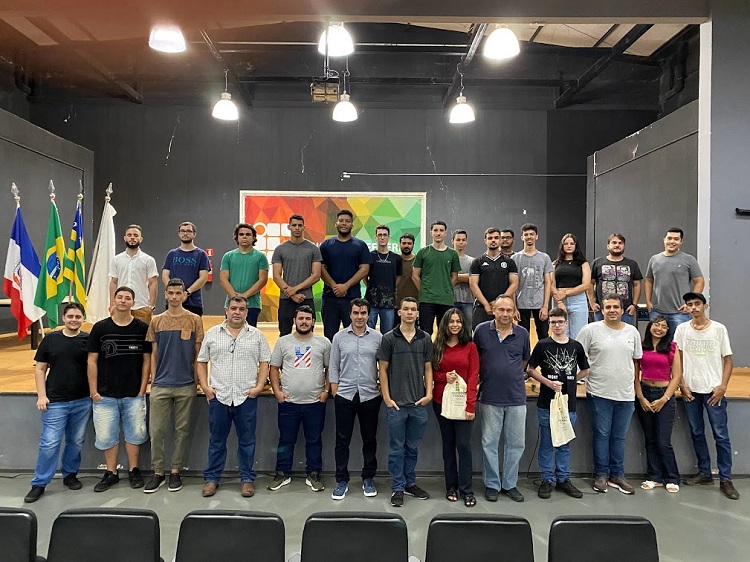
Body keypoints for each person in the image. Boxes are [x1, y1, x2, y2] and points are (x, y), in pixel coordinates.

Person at [196, 296, 271, 498]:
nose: (237, 312)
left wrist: (259, 387)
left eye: (242, 309)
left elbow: (265, 362)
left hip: (246, 397)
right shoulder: (213, 333)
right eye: (234, 308)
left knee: (247, 441)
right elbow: (201, 361)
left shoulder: (256, 335)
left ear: (247, 312)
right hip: (219, 397)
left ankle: (247, 479)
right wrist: (205, 387)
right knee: (216, 441)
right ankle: (212, 479)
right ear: (226, 310)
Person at [675, 292, 739, 500]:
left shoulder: (718, 329)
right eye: (690, 304)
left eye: (697, 303)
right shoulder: (682, 330)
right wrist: (682, 384)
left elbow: (728, 360)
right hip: (691, 391)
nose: (693, 307)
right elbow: (678, 359)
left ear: (705, 306)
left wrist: (723, 386)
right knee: (696, 432)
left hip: (713, 391)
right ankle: (704, 472)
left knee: (721, 435)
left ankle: (726, 478)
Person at [24, 303, 91, 503]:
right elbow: (40, 369)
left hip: (82, 400)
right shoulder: (51, 340)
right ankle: (39, 483)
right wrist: (41, 395)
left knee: (76, 441)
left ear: (83, 319)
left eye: (78, 317)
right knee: (50, 443)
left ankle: (70, 474)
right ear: (63, 318)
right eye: (70, 316)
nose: (74, 320)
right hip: (55, 401)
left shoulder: (88, 340)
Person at [87, 286, 151, 492]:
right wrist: (94, 391)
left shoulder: (142, 328)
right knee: (107, 436)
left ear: (133, 303)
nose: (123, 301)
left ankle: (134, 470)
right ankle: (111, 473)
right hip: (104, 394)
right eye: (120, 297)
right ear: (113, 301)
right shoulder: (100, 328)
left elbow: (147, 360)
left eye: (127, 298)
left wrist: (142, 389)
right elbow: (92, 361)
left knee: (135, 434)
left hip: (133, 394)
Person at [577, 294, 642, 494]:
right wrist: (579, 378)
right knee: (602, 435)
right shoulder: (590, 330)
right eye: (608, 307)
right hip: (599, 392)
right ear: (602, 310)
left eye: (615, 307)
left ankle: (617, 475)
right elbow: (577, 355)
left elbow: (636, 362)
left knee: (619, 437)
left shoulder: (632, 332)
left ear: (622, 310)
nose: (612, 310)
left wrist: (636, 390)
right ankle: (601, 474)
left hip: (625, 394)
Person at [144, 279, 203, 494]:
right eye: (171, 293)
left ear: (184, 295)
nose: (175, 297)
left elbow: (198, 354)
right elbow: (153, 353)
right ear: (165, 295)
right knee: (157, 430)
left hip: (186, 384)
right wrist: (153, 377)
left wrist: (197, 380)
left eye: (179, 293)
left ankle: (175, 471)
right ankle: (158, 472)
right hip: (161, 385)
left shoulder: (194, 320)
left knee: (181, 430)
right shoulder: (156, 321)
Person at [526, 308, 588, 500]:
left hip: (568, 404)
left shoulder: (576, 346)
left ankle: (563, 479)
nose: (557, 325)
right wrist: (547, 382)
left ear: (566, 323)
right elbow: (530, 369)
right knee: (546, 443)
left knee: (564, 443)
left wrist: (572, 381)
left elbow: (586, 369)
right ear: (549, 324)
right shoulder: (543, 345)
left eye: (560, 322)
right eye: (553, 322)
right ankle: (546, 479)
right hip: (547, 403)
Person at [268, 305, 331, 492]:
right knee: (286, 440)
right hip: (289, 403)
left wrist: (326, 390)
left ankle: (314, 474)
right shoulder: (283, 342)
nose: (304, 322)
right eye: (301, 318)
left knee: (314, 440)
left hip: (315, 403)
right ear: (294, 321)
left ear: (313, 321)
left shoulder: (324, 343)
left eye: (308, 319)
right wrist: (277, 391)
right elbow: (273, 368)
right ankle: (282, 473)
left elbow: (330, 368)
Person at [473, 295, 530, 503]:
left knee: (516, 444)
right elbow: (475, 358)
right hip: (490, 396)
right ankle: (492, 484)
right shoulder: (481, 331)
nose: (505, 314)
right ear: (494, 310)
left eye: (509, 310)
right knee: (489, 443)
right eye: (501, 310)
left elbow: (524, 361)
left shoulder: (522, 333)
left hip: (516, 397)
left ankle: (509, 484)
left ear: (514, 312)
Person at [378, 297, 434, 507]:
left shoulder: (425, 338)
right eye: (406, 309)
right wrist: (387, 397)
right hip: (397, 406)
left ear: (417, 314)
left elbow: (428, 368)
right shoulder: (389, 338)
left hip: (418, 405)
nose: (410, 312)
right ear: (399, 312)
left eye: (413, 309)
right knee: (396, 448)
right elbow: (382, 369)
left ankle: (410, 483)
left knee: (412, 448)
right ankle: (397, 487)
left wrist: (428, 394)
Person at [329, 298, 383, 500]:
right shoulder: (339, 337)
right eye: (356, 313)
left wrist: (381, 386)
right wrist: (335, 389)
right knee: (342, 440)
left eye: (363, 313)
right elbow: (333, 365)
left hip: (370, 395)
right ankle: (341, 480)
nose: (359, 317)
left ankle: (368, 478)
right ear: (350, 314)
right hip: (345, 395)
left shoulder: (378, 338)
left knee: (369, 439)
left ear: (368, 315)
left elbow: (383, 366)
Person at [431, 308, 479, 507]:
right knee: (448, 445)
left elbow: (473, 376)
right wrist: (444, 377)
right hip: (441, 403)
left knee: (464, 446)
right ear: (445, 324)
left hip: (463, 404)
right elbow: (431, 373)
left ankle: (467, 489)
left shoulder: (470, 347)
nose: (455, 325)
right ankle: (451, 486)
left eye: (458, 321)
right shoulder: (437, 346)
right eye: (451, 321)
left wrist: (470, 406)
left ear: (463, 324)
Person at [635, 317, 681, 493]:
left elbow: (676, 376)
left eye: (664, 326)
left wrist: (664, 398)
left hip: (664, 396)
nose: (659, 328)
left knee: (663, 441)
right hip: (645, 393)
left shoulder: (672, 347)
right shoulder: (641, 346)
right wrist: (641, 397)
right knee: (650, 440)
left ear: (668, 330)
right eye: (656, 324)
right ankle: (654, 477)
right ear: (650, 326)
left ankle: (672, 477)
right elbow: (635, 374)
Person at [320, 209, 372, 341]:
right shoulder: (326, 245)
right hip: (330, 298)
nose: (344, 223)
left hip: (352, 298)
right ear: (336, 224)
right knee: (329, 336)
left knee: (353, 336)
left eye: (348, 221)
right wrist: (334, 286)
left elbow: (364, 269)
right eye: (341, 220)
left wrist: (345, 286)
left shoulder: (360, 245)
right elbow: (320, 268)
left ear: (352, 225)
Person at [644, 227, 705, 336]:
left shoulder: (689, 260)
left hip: (680, 313)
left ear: (681, 242)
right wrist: (648, 301)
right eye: (669, 238)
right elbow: (649, 280)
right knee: (657, 343)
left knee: (679, 343)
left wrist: (690, 303)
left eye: (676, 239)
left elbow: (699, 281)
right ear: (664, 240)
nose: (672, 241)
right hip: (657, 312)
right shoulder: (654, 259)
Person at [271, 214, 323, 336]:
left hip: (306, 298)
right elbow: (276, 276)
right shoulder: (280, 249)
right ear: (289, 227)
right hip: (286, 299)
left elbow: (316, 275)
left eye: (300, 225)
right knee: (284, 334)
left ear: (304, 227)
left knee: (308, 334)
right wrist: (292, 294)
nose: (297, 228)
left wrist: (294, 289)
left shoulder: (313, 249)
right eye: (294, 225)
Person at [412, 220, 461, 335]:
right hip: (427, 300)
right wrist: (424, 290)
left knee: (445, 333)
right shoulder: (423, 252)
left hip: (446, 299)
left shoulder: (452, 254)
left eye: (441, 230)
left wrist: (446, 289)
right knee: (425, 332)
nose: (438, 233)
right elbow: (415, 276)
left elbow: (455, 276)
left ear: (445, 233)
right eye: (435, 230)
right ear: (431, 232)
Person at [219, 223, 269, 327]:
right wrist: (234, 297)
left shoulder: (261, 257)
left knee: (250, 333)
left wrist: (245, 296)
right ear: (237, 237)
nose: (244, 237)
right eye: (241, 234)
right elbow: (223, 279)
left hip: (252, 304)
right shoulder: (228, 256)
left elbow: (263, 280)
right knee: (231, 332)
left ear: (253, 238)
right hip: (231, 303)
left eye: (248, 234)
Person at [469, 227, 519, 330]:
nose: (493, 240)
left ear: (500, 240)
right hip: (482, 307)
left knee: (503, 335)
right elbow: (473, 285)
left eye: (496, 238)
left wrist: (499, 302)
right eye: (490, 238)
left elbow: (514, 283)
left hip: (502, 309)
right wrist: (486, 304)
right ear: (485, 241)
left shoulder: (509, 262)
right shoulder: (477, 262)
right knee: (480, 336)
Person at [588, 233, 643, 325]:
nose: (617, 245)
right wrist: (592, 303)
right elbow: (590, 283)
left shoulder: (632, 264)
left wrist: (634, 305)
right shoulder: (597, 263)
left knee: (624, 334)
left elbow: (637, 284)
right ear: (608, 246)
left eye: (620, 243)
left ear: (624, 246)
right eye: (614, 242)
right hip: (602, 310)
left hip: (625, 311)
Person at [109, 224, 158, 323]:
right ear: (125, 238)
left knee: (142, 333)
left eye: (135, 235)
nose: (132, 238)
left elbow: (153, 283)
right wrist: (112, 304)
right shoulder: (116, 259)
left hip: (141, 306)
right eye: (129, 235)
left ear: (141, 239)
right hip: (120, 306)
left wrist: (151, 306)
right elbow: (114, 282)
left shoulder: (148, 260)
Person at [512, 223, 553, 341]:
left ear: (536, 236)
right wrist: (514, 307)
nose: (529, 237)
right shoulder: (515, 258)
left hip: (539, 303)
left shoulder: (544, 257)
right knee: (523, 337)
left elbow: (547, 282)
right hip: (521, 303)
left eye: (532, 234)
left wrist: (545, 306)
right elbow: (513, 284)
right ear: (522, 237)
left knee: (543, 335)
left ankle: (543, 354)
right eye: (526, 234)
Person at [161, 221, 210, 316]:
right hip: (173, 302)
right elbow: (165, 276)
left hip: (193, 302)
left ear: (194, 234)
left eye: (188, 231)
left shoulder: (201, 254)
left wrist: (187, 293)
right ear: (179, 234)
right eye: (182, 231)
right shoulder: (172, 254)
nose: (185, 233)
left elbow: (203, 278)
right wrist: (174, 292)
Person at [551, 233, 591, 339]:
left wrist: (565, 294)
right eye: (566, 244)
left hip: (578, 300)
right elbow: (551, 284)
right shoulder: (555, 264)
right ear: (562, 246)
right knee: (560, 333)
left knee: (579, 335)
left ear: (576, 246)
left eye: (572, 244)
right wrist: (559, 301)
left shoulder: (583, 264)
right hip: (558, 300)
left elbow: (586, 285)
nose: (569, 246)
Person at [365, 225, 402, 333]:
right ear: (376, 237)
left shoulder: (396, 258)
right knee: (369, 332)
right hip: (371, 301)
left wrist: (391, 287)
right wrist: (371, 286)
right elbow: (364, 275)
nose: (382, 237)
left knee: (387, 333)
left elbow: (399, 276)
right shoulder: (369, 256)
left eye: (385, 235)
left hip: (389, 302)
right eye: (379, 235)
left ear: (389, 237)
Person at [451, 230, 474, 322]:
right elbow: (444, 277)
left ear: (466, 242)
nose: (461, 242)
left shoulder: (472, 261)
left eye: (463, 240)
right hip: (450, 301)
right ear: (452, 241)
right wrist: (465, 277)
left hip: (468, 301)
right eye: (458, 240)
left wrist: (454, 277)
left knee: (468, 328)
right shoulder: (447, 259)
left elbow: (473, 279)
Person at [396, 233, 419, 306]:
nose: (406, 246)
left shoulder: (419, 261)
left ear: (413, 245)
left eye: (409, 243)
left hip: (415, 304)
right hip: (396, 303)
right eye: (404, 243)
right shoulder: (394, 260)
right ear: (400, 244)